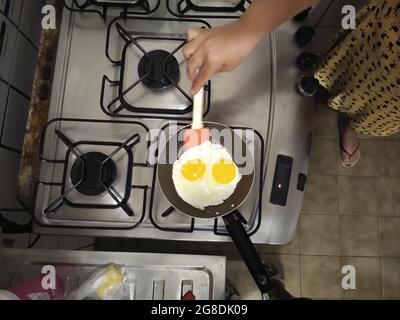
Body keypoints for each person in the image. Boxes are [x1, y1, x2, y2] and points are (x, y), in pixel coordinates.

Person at [183, 0, 400, 168]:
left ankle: (352, 125)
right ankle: (344, 116)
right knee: (346, 75)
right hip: (386, 37)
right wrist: (246, 29)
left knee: (375, 117)